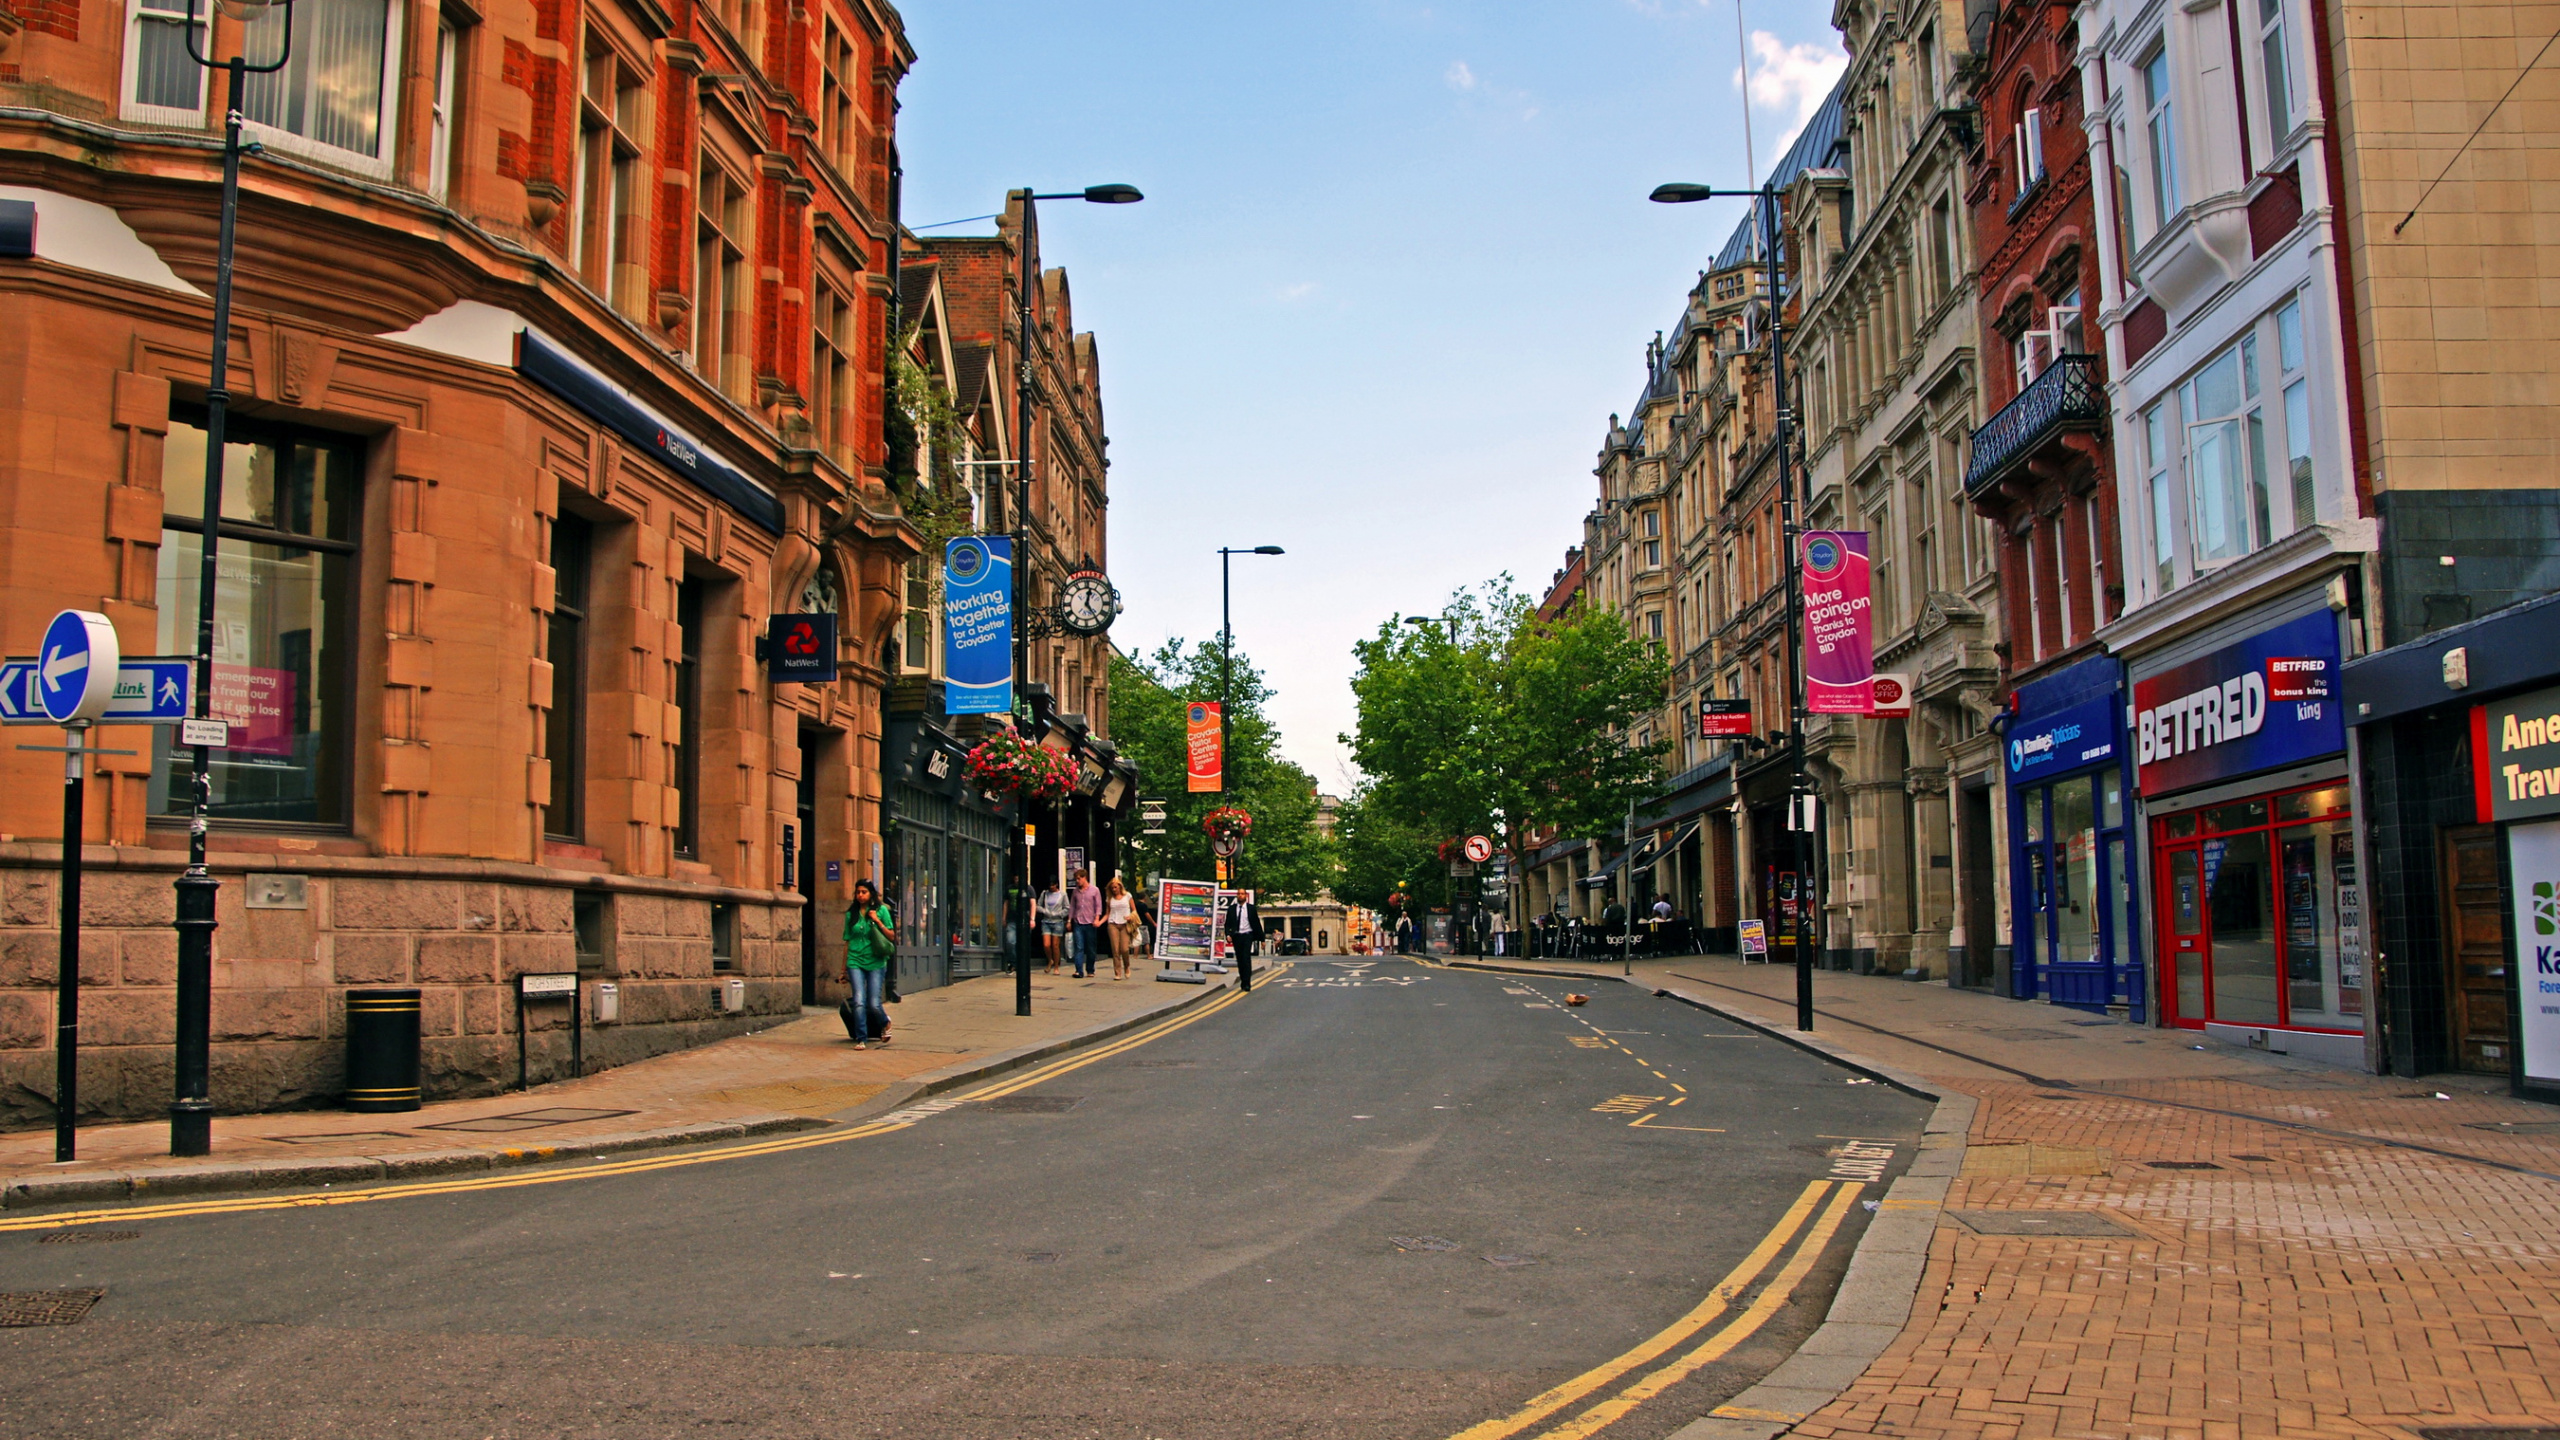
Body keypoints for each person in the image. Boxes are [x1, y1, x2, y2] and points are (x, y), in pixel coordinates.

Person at [842, 880, 896, 1048]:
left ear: (871, 894)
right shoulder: (851, 914)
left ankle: (885, 1022)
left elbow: (891, 936)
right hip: (855, 960)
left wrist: (877, 921)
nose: (860, 895)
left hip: (876, 961)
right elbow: (847, 942)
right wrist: (843, 969)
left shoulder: (881, 911)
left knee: (873, 1003)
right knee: (858, 1000)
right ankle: (861, 1038)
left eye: (864, 892)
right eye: (858, 892)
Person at [1225, 888, 1264, 992]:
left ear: (1245, 896)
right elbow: (1227, 923)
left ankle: (1247, 983)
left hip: (1247, 935)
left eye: (1242, 894)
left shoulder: (1251, 908)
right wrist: (1228, 934)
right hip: (1237, 936)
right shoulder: (1232, 909)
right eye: (1238, 894)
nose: (1240, 896)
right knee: (1240, 960)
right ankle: (1243, 980)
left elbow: (1256, 924)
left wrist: (1262, 939)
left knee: (1246, 958)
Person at [1070, 868, 1104, 978]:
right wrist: (1069, 920)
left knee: (1090, 947)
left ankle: (1090, 969)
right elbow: (1072, 906)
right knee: (1079, 947)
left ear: (1085, 878)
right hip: (1078, 921)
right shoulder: (1075, 891)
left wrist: (1097, 918)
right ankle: (1079, 970)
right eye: (1076, 879)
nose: (1077, 881)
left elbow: (1098, 906)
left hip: (1090, 922)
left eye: (1079, 879)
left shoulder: (1094, 890)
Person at [1105, 876, 1137, 979]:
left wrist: (1130, 917)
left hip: (1125, 924)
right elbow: (1107, 913)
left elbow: (1134, 910)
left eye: (1115, 887)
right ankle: (1117, 972)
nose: (1114, 890)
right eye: (1112, 888)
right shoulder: (1109, 898)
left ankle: (1127, 966)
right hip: (1113, 923)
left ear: (1120, 887)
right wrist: (1099, 922)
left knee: (1124, 949)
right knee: (1115, 949)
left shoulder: (1127, 896)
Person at [1037, 879, 1069, 975]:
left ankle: (1056, 966)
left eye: (1053, 885)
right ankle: (1050, 960)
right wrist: (1045, 911)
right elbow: (1038, 906)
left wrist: (1059, 914)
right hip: (1046, 921)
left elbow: (1067, 907)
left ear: (1056, 885)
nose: (1051, 887)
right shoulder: (1045, 893)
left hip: (1057, 922)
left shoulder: (1062, 894)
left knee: (1055, 945)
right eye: (1050, 885)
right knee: (1046, 944)